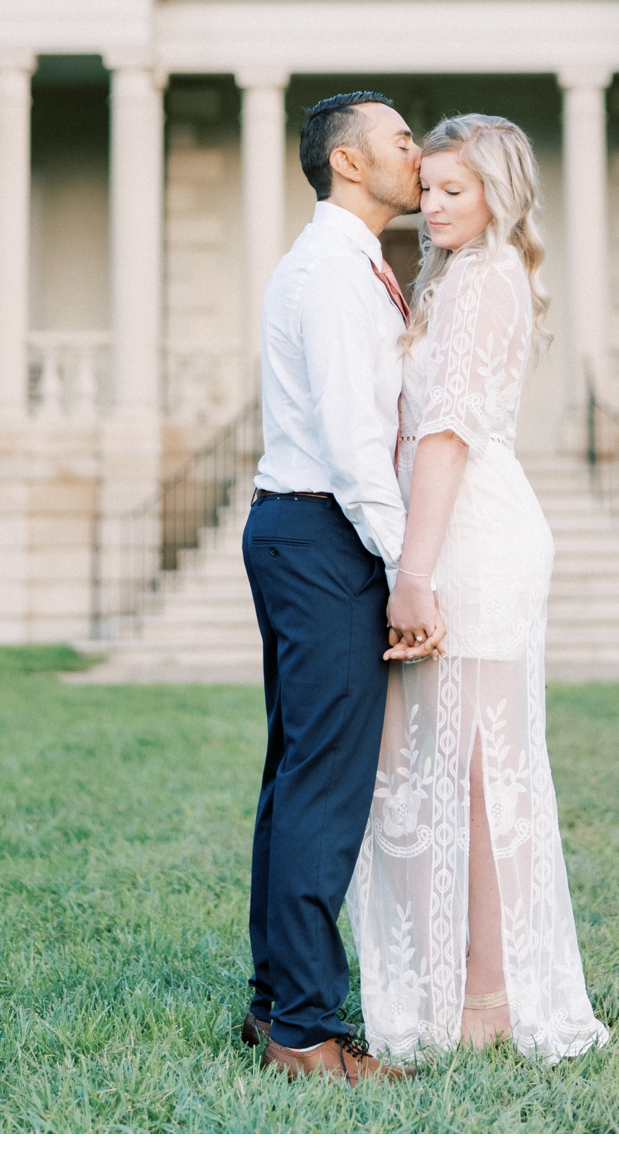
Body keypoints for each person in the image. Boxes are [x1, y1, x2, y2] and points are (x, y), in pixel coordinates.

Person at [348, 114, 609, 1065]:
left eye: (456, 188)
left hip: (473, 538)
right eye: (431, 187)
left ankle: (491, 994)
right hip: (444, 526)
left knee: (481, 777)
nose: (434, 201)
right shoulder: (455, 278)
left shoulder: (489, 275)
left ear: (499, 192)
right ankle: (449, 976)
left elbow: (448, 435)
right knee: (442, 770)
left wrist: (414, 573)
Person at [240, 90, 442, 1086]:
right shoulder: (328, 270)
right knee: (321, 787)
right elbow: (356, 445)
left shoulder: (347, 262)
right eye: (403, 140)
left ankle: (278, 1003)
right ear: (348, 162)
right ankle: (304, 1031)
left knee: (294, 782)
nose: (420, 154)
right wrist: (406, 569)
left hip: (304, 528)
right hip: (322, 530)